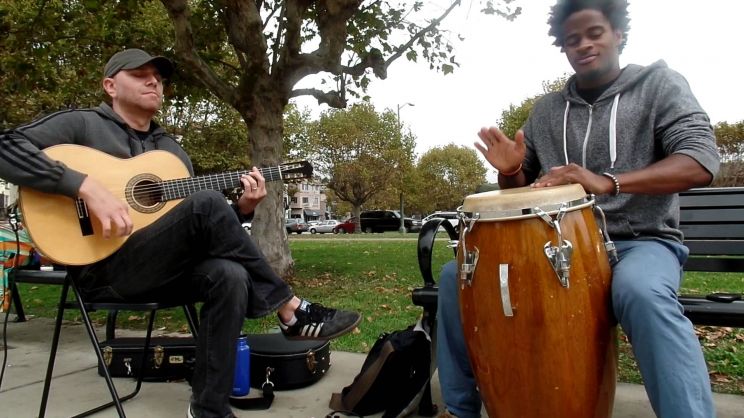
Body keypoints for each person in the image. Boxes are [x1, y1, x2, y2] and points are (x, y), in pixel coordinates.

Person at [0, 48, 361, 418]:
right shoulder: (81, 126)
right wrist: (83, 185)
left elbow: (195, 228)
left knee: (230, 274)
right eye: (139, 74)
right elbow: (5, 146)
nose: (153, 82)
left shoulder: (170, 152)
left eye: (157, 77)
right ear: (110, 85)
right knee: (207, 203)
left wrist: (242, 209)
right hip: (101, 270)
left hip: (160, 271)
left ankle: (209, 409)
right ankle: (290, 309)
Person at [436, 1, 720, 417]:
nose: (584, 44)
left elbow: (699, 160)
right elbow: (521, 187)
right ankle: (460, 410)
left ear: (617, 34)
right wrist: (511, 170)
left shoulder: (660, 86)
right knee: (454, 278)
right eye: (573, 40)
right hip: (559, 249)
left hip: (640, 243)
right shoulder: (547, 110)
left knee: (640, 292)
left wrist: (608, 181)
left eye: (594, 33)